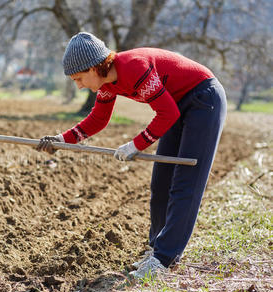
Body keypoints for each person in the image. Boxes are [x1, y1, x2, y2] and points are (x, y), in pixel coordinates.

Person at [36, 32, 227, 279]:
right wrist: (63, 139)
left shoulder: (133, 67)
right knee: (160, 184)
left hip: (204, 99)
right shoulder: (107, 83)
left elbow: (166, 114)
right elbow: (98, 119)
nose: (79, 85)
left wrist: (136, 144)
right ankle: (156, 249)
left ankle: (164, 259)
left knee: (185, 184)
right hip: (175, 105)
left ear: (95, 67)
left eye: (79, 78)